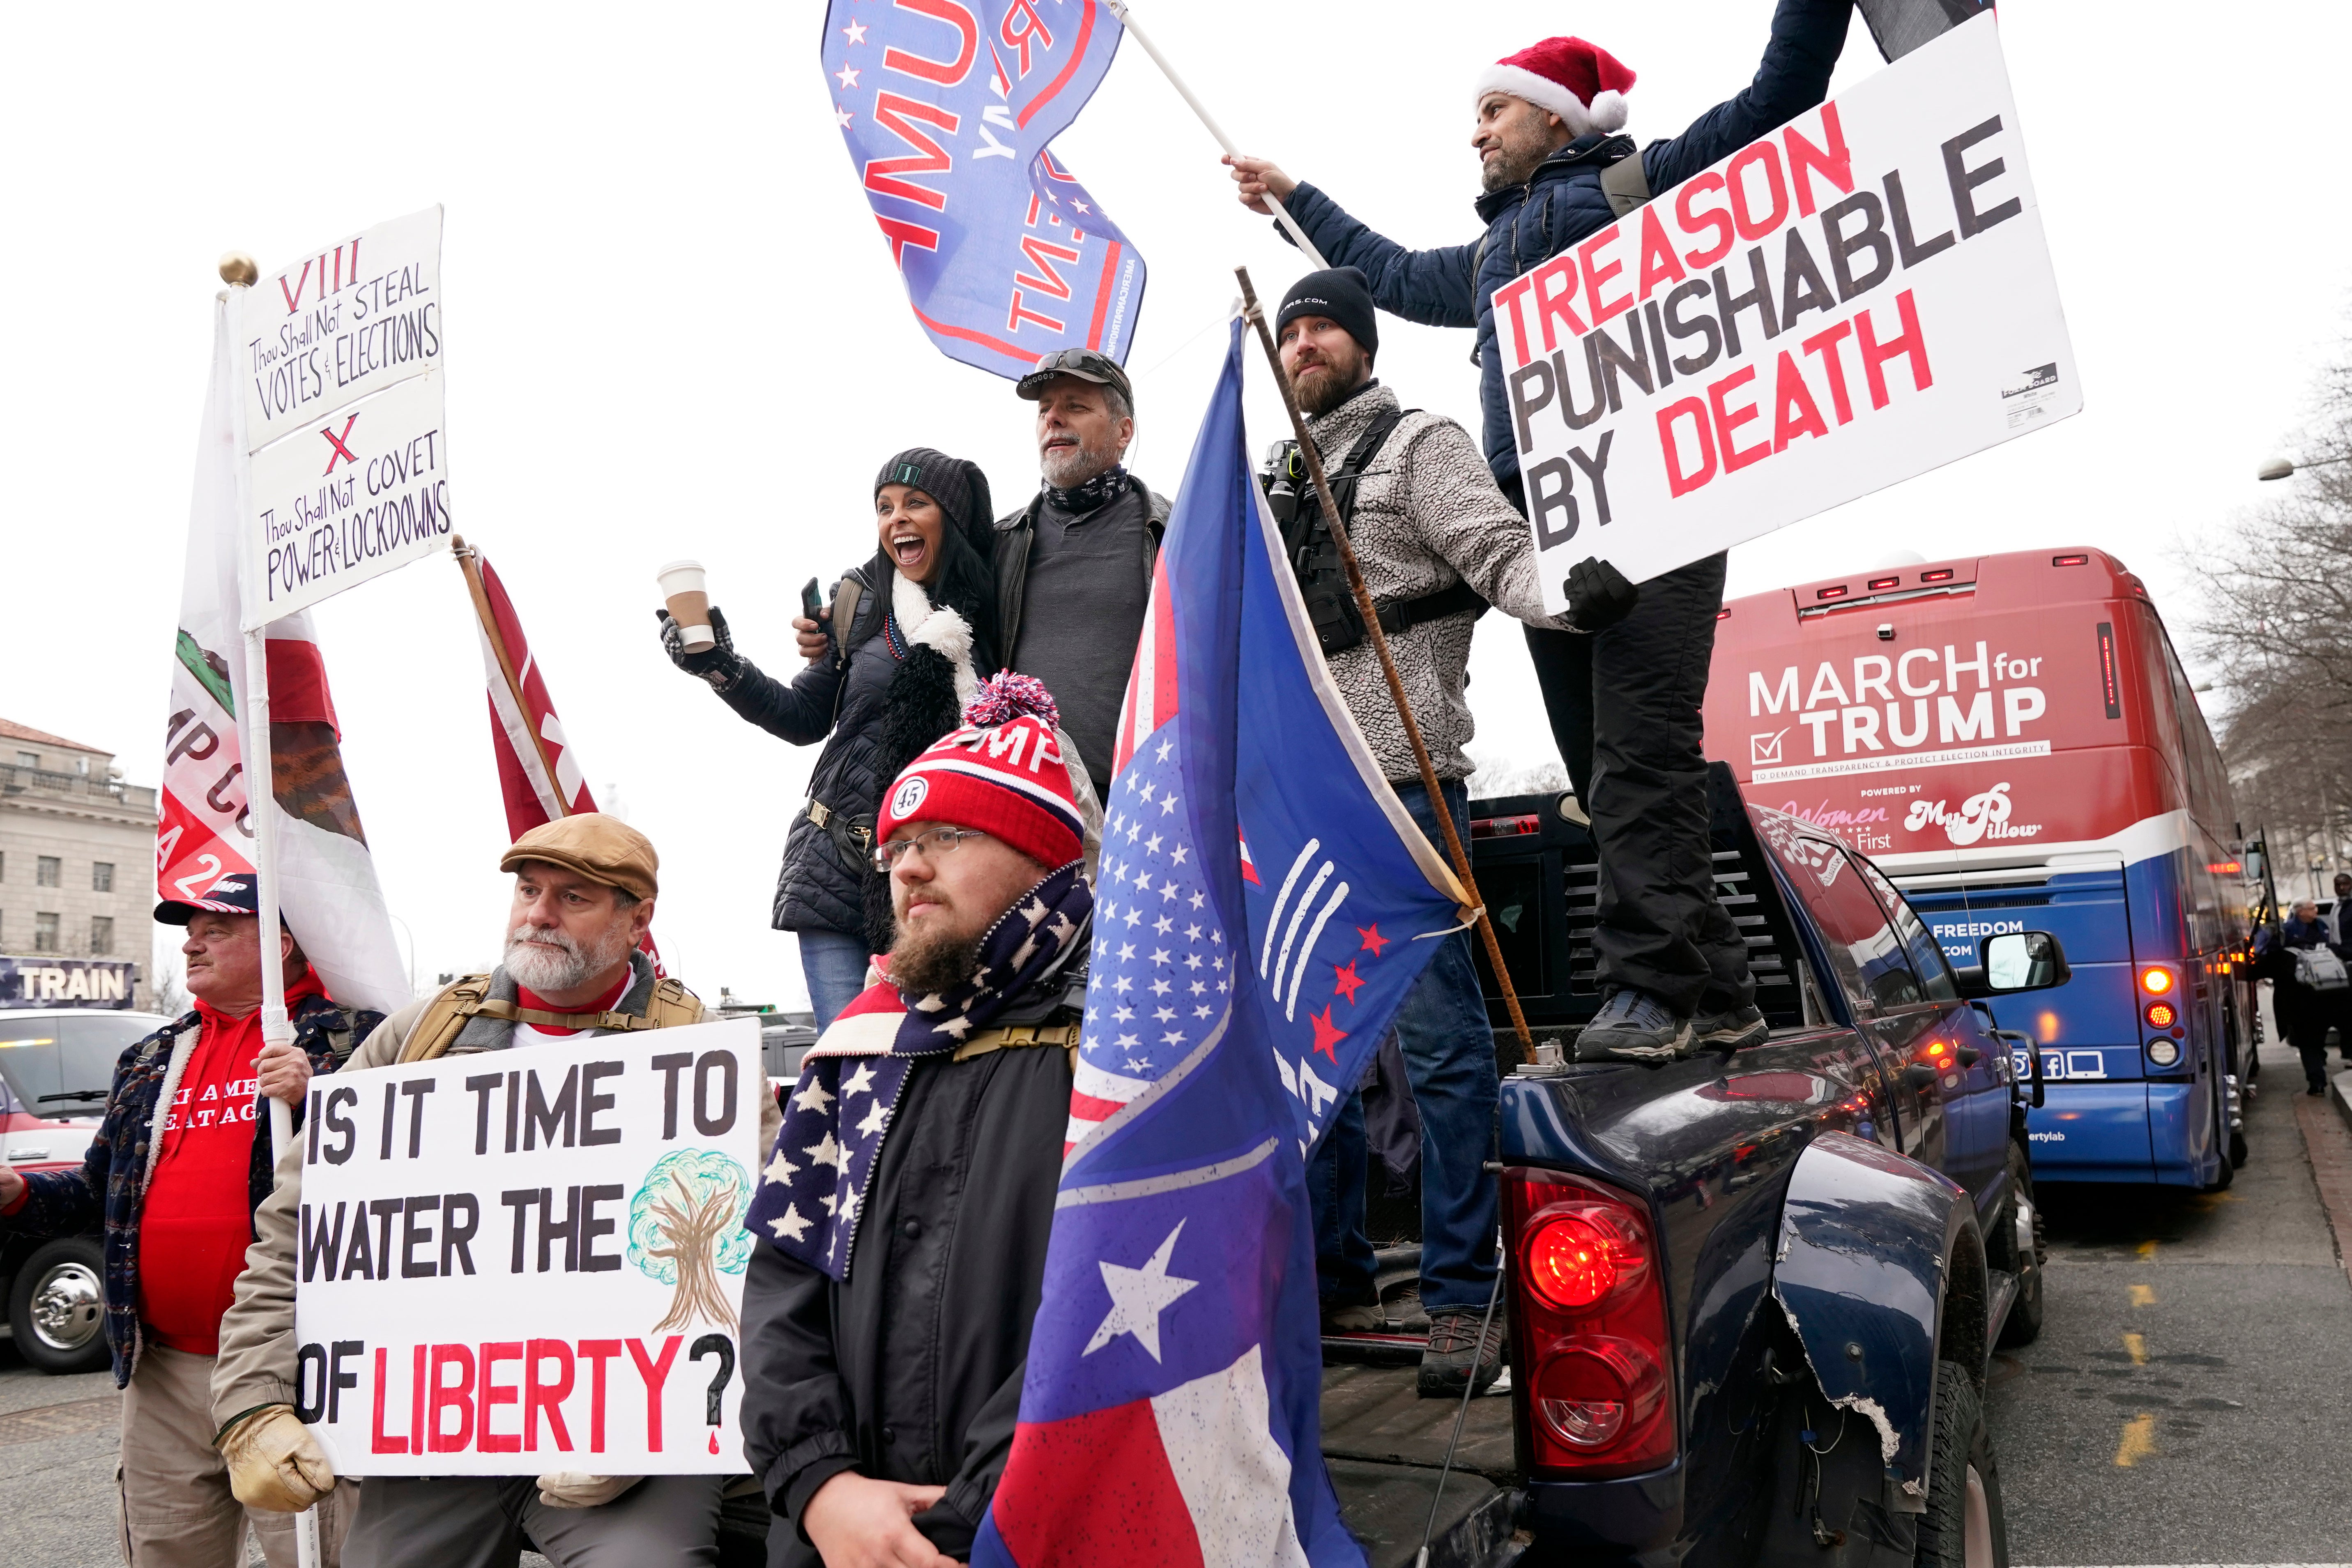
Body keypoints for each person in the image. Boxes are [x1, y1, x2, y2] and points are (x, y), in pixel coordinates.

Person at [1224, 0, 1856, 1059]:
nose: (1475, 132)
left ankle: (1647, 995)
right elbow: (1375, 270)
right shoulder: (1482, 264)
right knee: (1602, 770)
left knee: (1641, 754)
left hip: (1658, 509)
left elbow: (1776, 101)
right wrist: (1294, 197)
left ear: (1557, 121)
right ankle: (1720, 990)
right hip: (1549, 535)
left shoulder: (1642, 185)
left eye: (1493, 110)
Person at [207, 814, 777, 1568]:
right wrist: (252, 1400)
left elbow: (760, 1261)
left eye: (573, 897)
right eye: (529, 889)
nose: (538, 913)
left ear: (638, 919)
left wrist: (654, 1422)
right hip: (433, 1436)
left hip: (625, 1453)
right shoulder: (420, 1037)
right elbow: (298, 1229)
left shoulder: (698, 1053)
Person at [1261, 267, 1591, 1395]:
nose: (1302, 343)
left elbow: (1496, 550)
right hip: (1296, 802)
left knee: (1444, 1053)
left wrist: (1573, 593)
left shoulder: (1419, 444)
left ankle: (1460, 1298)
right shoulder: (1261, 477)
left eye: (1322, 329)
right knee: (1312, 1059)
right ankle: (1330, 1280)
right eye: (1291, 328)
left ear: (1358, 343)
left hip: (1403, 786)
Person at [740, 677, 1092, 1568]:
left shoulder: (1119, 1054)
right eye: (897, 845)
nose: (908, 866)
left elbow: (1119, 1315)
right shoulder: (857, 1049)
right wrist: (819, 1484)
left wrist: (944, 1532)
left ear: (1042, 855)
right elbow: (782, 1288)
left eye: (948, 836)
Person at [0, 879, 377, 1568]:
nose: (190, 942)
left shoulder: (356, 1038)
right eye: (190, 928)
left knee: (321, 1554)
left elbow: (405, 1170)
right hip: (163, 1368)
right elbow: (98, 1191)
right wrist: (20, 1193)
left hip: (296, 1364)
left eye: (216, 929)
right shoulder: (148, 1057)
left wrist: (325, 1094)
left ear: (279, 945)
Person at [663, 450, 1000, 1028]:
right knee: (852, 1061)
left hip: (943, 873)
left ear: (953, 515)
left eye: (915, 503)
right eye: (884, 507)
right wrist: (717, 664)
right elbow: (799, 716)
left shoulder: (998, 607)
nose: (896, 518)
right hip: (836, 867)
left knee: (930, 1061)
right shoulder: (863, 603)